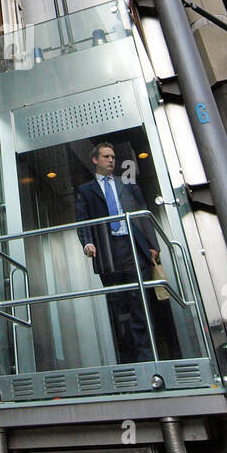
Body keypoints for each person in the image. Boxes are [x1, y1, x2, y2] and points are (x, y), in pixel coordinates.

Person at [74, 141, 164, 364]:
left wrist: (153, 245)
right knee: (118, 303)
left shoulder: (127, 184)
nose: (111, 160)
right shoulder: (86, 191)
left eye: (113, 157)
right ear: (95, 160)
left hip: (133, 246)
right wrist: (87, 243)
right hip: (108, 252)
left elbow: (143, 214)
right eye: (106, 156)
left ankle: (147, 355)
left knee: (139, 301)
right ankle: (125, 356)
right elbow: (83, 220)